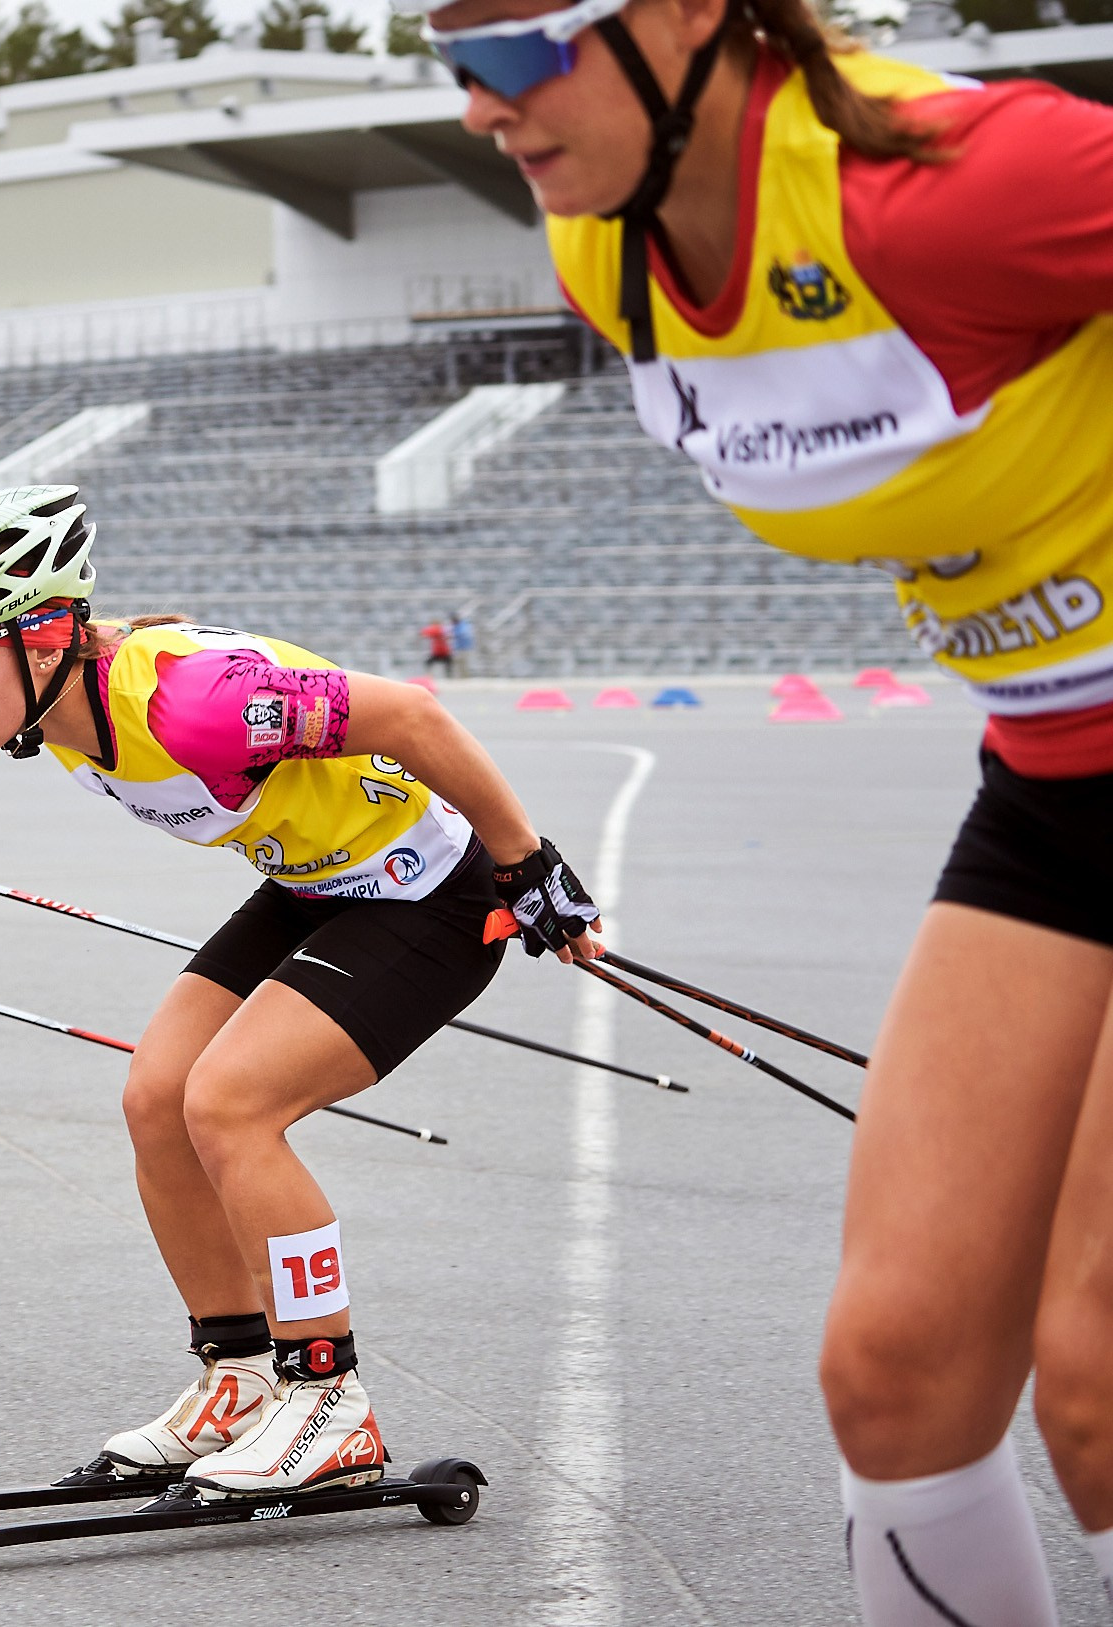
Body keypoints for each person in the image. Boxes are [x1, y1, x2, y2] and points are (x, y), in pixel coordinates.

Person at [423, 0, 1113, 1613]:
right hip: (1049, 784)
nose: (476, 107)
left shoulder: (955, 184)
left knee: (1095, 1367)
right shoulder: (605, 253)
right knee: (896, 1374)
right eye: (447, 60)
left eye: (515, 49)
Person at [0, 485, 603, 1498]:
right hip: (313, 881)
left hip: (431, 893)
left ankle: (329, 1398)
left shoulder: (196, 702)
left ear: (41, 638)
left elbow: (410, 714)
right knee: (156, 1097)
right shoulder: (66, 704)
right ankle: (242, 1377)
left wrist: (525, 861)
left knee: (230, 1104)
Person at [447, 610, 476, 677]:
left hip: (465, 647)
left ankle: (465, 677)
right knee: (458, 663)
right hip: (458, 647)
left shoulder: (463, 624)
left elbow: (463, 633)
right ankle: (460, 677)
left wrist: (453, 635)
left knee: (464, 663)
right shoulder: (454, 626)